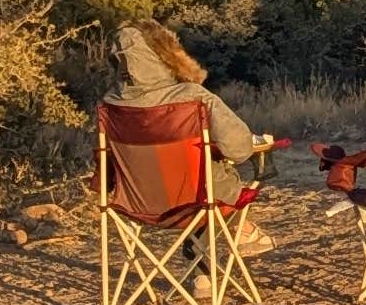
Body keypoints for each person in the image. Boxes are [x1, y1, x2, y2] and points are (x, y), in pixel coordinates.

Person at [106, 21, 277, 246]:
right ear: (163, 54)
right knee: (219, 176)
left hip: (134, 205)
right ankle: (237, 232)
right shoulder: (193, 97)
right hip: (197, 201)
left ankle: (202, 272)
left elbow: (105, 161)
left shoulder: (110, 105)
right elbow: (238, 149)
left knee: (199, 176)